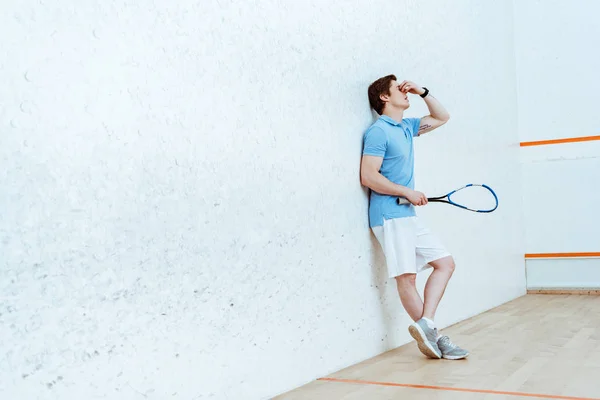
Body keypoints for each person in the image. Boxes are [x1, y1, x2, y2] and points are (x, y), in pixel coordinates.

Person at [360, 75, 468, 360]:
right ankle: (438, 339)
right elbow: (368, 176)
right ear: (384, 97)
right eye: (399, 88)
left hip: (406, 213)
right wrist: (407, 191)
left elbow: (442, 116)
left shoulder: (407, 127)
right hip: (388, 214)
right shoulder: (378, 132)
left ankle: (427, 326)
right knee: (407, 277)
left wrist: (423, 92)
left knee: (444, 263)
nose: (405, 91)